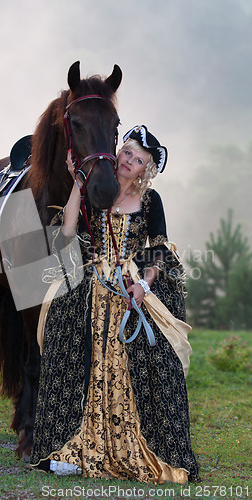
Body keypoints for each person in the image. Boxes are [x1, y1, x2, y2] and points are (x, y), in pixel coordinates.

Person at [29, 125, 200, 484]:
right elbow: (67, 231)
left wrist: (143, 284)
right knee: (72, 353)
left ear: (145, 169)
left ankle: (135, 449)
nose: (130, 162)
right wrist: (78, 181)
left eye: (139, 161)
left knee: (154, 363)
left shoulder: (152, 202)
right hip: (91, 283)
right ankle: (75, 447)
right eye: (128, 153)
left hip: (131, 288)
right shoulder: (98, 189)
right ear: (118, 152)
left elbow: (158, 250)